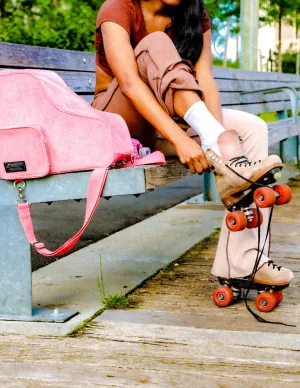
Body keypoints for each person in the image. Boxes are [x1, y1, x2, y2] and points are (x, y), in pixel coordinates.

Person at [92, 0, 293, 286]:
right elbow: (129, 83)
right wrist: (183, 140)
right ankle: (220, 149)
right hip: (119, 126)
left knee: (252, 128)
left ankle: (245, 263)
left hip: (167, 121)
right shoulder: (118, 8)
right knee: (156, 42)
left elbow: (206, 81)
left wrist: (220, 140)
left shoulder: (196, 16)